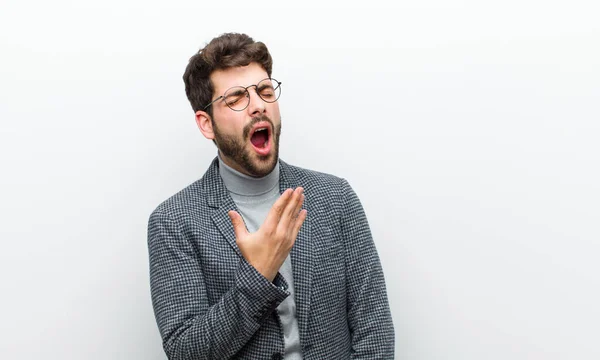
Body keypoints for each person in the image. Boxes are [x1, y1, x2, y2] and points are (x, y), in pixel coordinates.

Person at [147, 32, 394, 360]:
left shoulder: (336, 198)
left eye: (265, 91)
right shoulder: (173, 222)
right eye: (236, 98)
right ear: (206, 124)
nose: (259, 105)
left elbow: (373, 327)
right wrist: (259, 275)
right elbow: (186, 351)